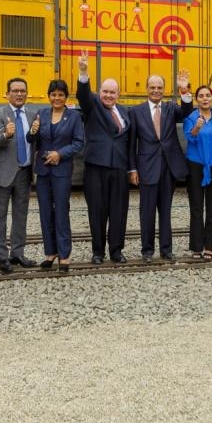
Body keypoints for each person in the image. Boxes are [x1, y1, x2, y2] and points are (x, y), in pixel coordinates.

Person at [128, 71, 193, 263]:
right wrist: (132, 169)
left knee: (165, 210)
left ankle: (166, 249)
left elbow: (187, 112)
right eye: (152, 87)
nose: (156, 91)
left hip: (168, 167)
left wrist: (184, 90)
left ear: (164, 90)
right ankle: (147, 251)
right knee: (146, 211)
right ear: (146, 89)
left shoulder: (171, 108)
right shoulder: (136, 111)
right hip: (147, 167)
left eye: (159, 87)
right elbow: (132, 143)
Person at [76, 52, 131, 264]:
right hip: (96, 168)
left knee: (118, 211)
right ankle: (98, 252)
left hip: (118, 167)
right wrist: (83, 72)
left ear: (118, 94)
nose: (108, 95)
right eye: (105, 92)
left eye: (112, 92)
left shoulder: (125, 112)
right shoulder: (93, 106)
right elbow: (83, 95)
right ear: (99, 93)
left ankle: (116, 251)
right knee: (97, 211)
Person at [27, 79, 84, 273]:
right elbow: (31, 139)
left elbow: (78, 143)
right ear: (49, 96)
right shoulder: (41, 113)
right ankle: (50, 253)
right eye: (53, 94)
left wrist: (60, 154)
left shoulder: (74, 117)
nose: (57, 98)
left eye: (60, 95)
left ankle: (64, 255)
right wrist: (32, 132)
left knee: (61, 212)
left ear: (66, 97)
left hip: (61, 171)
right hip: (43, 171)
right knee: (45, 213)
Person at [0, 78, 36, 274]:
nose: (19, 94)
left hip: (24, 172)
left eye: (22, 91)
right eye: (15, 91)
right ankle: (2, 257)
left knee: (21, 215)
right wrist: (7, 134)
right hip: (3, 174)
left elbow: (34, 141)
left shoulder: (33, 115)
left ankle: (18, 253)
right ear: (7, 94)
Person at [184, 85, 212, 260]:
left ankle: (210, 246)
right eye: (201, 96)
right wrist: (197, 127)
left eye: (208, 95)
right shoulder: (190, 118)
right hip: (195, 166)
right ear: (196, 100)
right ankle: (196, 247)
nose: (204, 98)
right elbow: (190, 137)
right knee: (196, 208)